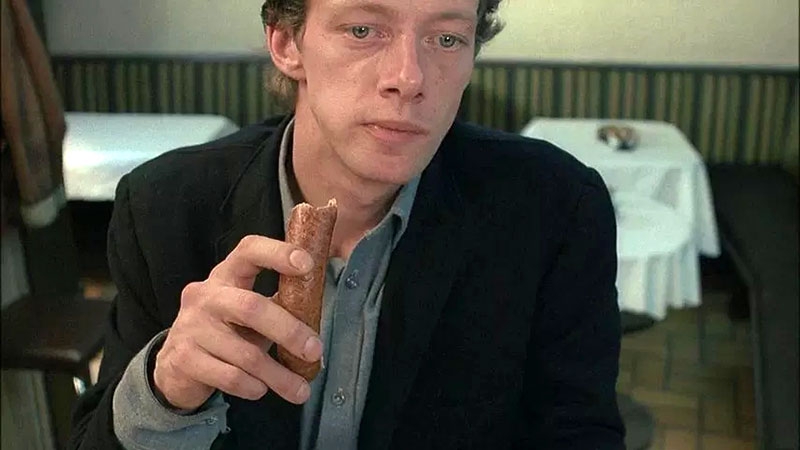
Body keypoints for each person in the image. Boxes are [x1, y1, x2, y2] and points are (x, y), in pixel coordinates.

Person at [69, 0, 625, 448]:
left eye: (446, 38)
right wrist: (166, 391)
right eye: (363, 30)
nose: (409, 78)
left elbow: (578, 432)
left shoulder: (554, 211)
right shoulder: (164, 207)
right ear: (287, 43)